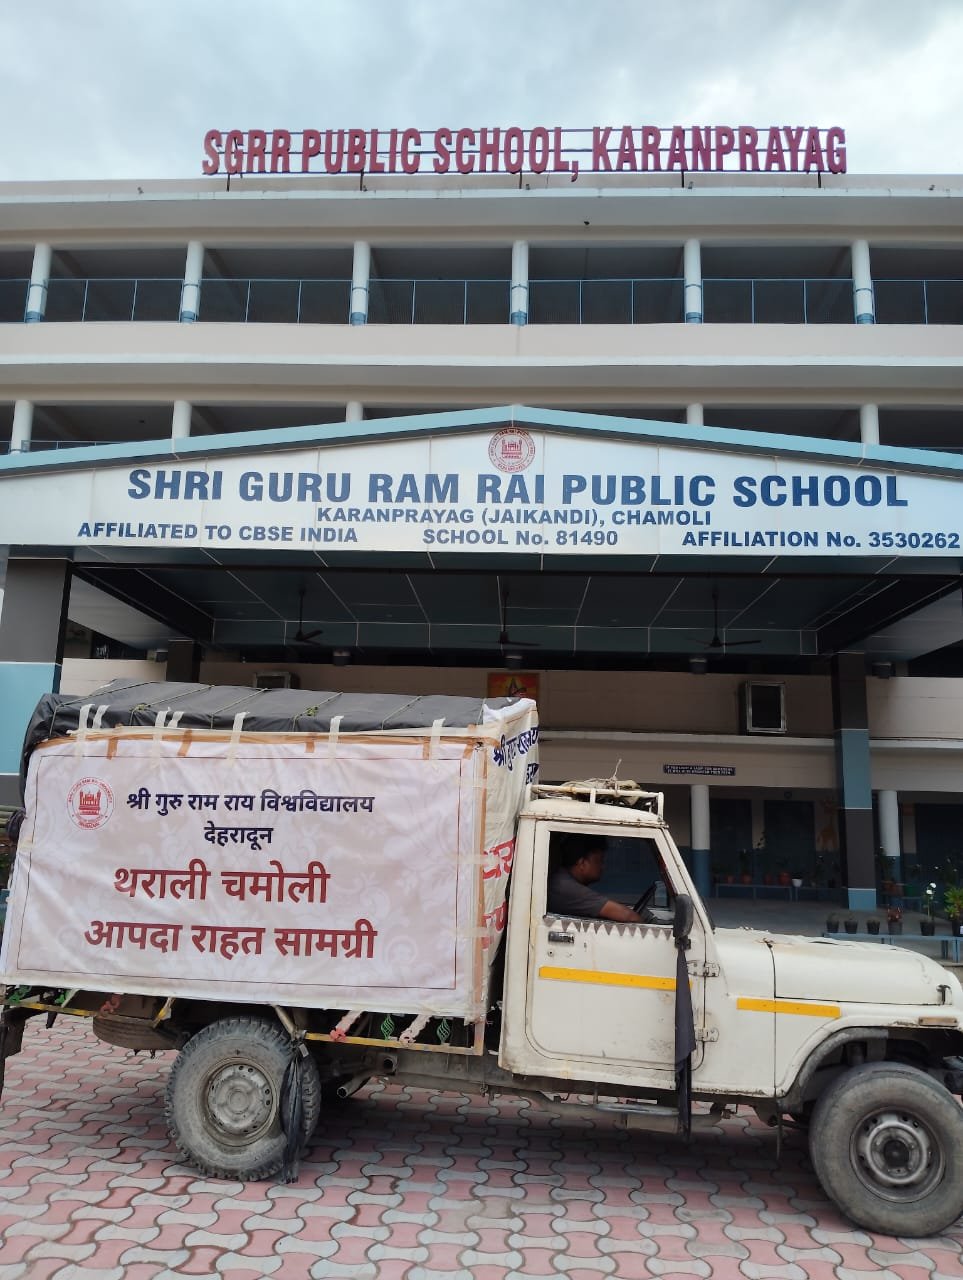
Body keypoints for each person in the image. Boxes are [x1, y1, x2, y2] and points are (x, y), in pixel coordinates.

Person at [546, 835, 644, 923]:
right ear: (582, 863)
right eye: (599, 861)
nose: (602, 867)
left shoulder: (562, 879)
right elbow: (630, 917)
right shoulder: (565, 887)